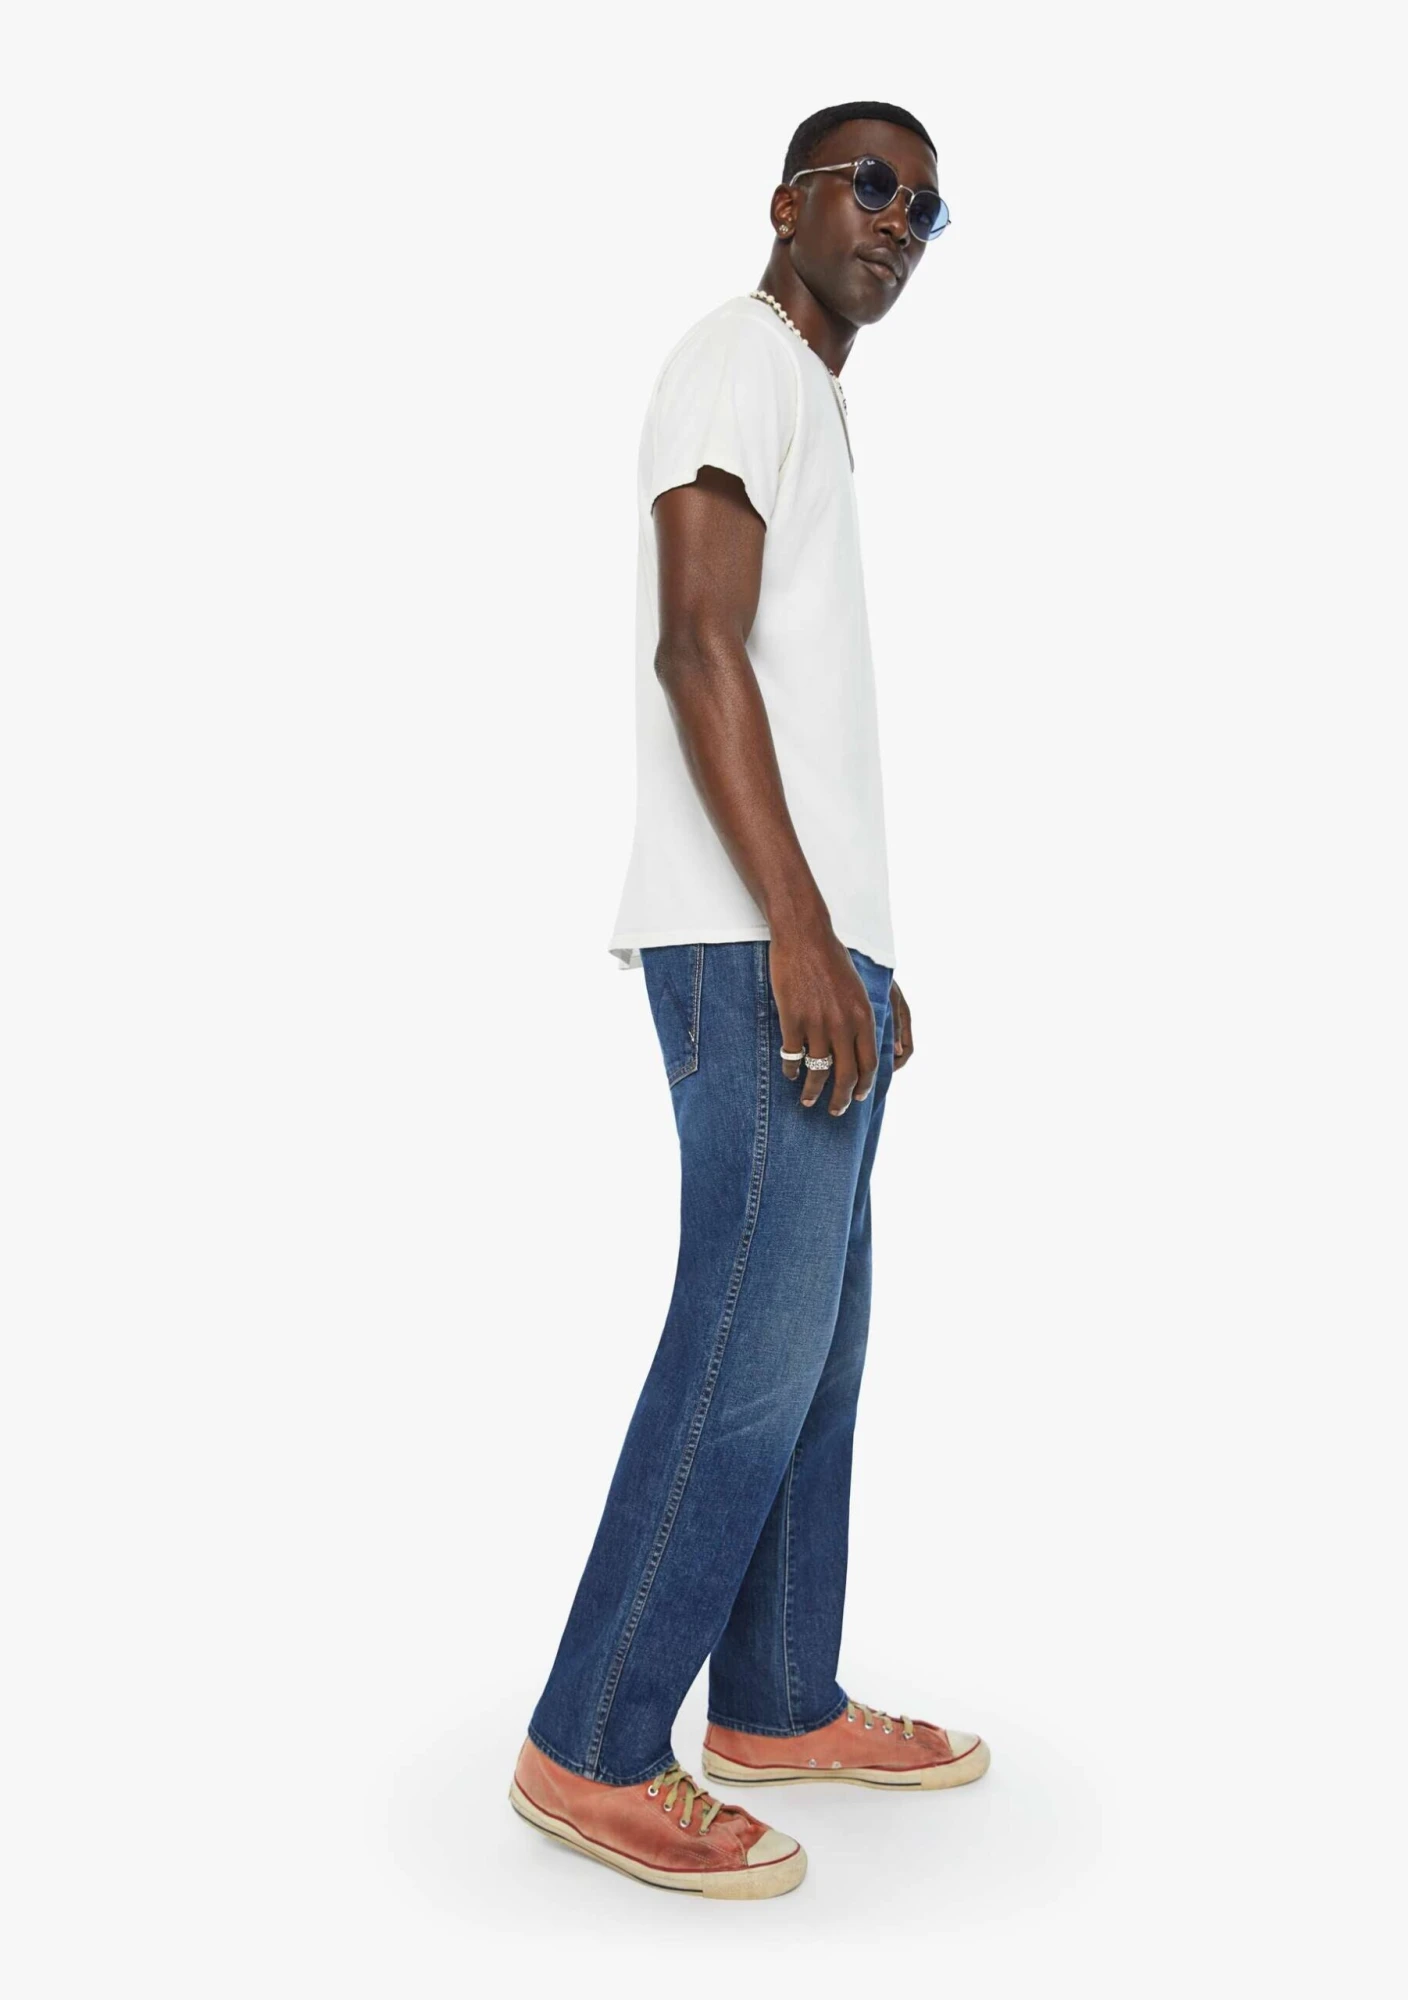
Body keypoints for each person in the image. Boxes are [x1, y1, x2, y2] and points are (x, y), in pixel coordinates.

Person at [510, 100, 986, 1901]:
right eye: (872, 185)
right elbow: (694, 644)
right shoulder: (737, 359)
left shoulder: (806, 394)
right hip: (745, 940)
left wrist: (858, 949)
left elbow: (791, 691)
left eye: (928, 208)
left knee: (818, 1347)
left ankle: (779, 1700)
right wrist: (795, 931)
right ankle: (592, 1744)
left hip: (804, 943)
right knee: (743, 1345)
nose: (899, 222)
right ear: (788, 202)